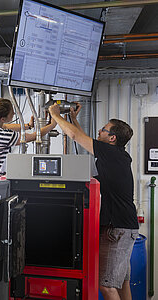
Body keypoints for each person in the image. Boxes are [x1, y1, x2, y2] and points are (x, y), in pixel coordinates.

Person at [48, 102, 139, 300]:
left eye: (104, 130)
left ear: (112, 138)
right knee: (121, 282)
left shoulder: (110, 153)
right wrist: (73, 119)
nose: (100, 130)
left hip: (118, 229)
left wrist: (55, 115)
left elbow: (74, 137)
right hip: (125, 228)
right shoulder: (117, 155)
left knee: (106, 286)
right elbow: (84, 140)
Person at [0, 98, 57, 183]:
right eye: (12, 113)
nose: (14, 113)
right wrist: (52, 124)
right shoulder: (2, 136)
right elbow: (33, 136)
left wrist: (28, 126)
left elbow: (4, 126)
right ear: (3, 119)